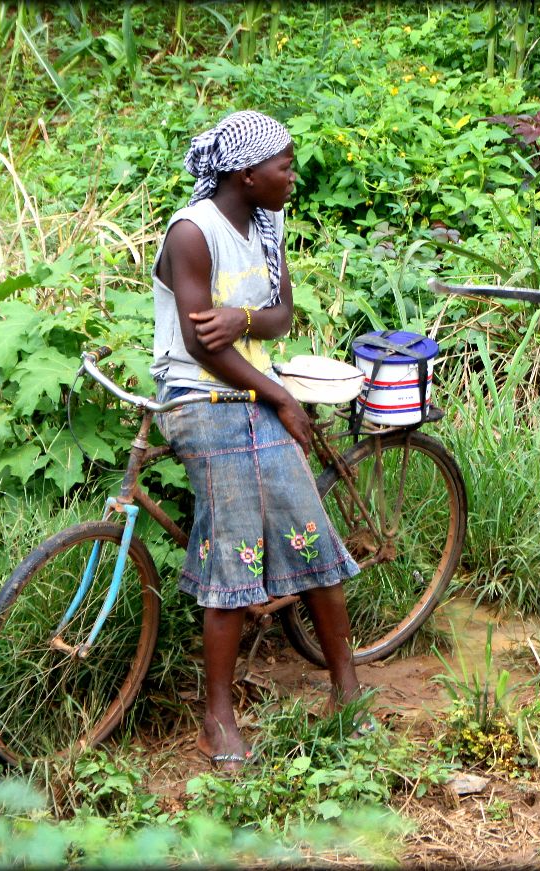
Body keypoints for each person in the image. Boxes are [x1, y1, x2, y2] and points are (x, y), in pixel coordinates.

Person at [150, 110, 362, 768]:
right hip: (199, 396)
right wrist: (277, 394)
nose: (292, 176)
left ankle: (347, 692)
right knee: (234, 546)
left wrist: (241, 317)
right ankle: (217, 718)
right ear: (248, 172)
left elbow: (277, 319)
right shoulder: (193, 233)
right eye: (285, 165)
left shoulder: (267, 224)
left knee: (311, 529)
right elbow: (200, 347)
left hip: (255, 392)